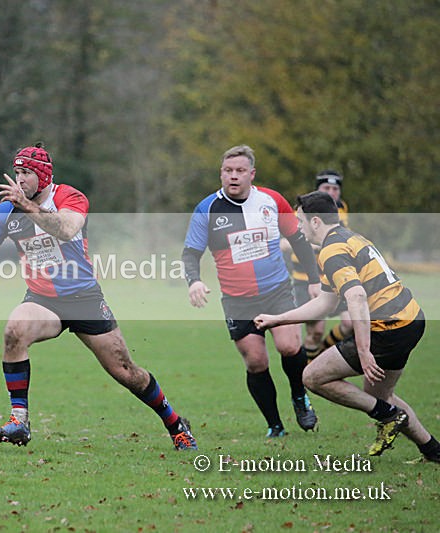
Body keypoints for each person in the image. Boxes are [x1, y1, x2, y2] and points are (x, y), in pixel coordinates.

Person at [0, 143, 198, 451]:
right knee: (14, 330)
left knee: (126, 372)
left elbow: (67, 229)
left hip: (84, 299)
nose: (20, 179)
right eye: (17, 172)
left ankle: (175, 424)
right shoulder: (7, 211)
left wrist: (29, 208)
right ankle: (19, 421)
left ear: (43, 176)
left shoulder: (70, 197)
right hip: (42, 300)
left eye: (26, 173)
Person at [255, 191, 440, 461]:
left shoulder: (332, 250)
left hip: (388, 328)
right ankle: (433, 450)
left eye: (301, 221)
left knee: (313, 377)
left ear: (315, 221)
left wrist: (364, 352)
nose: (299, 227)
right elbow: (326, 304)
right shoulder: (350, 237)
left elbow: (356, 297)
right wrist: (278, 319)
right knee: (381, 395)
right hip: (410, 321)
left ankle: (388, 416)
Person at [182, 145, 319, 438]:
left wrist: (314, 279)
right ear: (221, 174)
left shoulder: (272, 201)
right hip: (237, 300)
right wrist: (194, 281)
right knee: (256, 362)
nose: (233, 176)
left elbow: (298, 240)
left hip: (276, 291)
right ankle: (275, 426)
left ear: (251, 174)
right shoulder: (206, 209)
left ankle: (299, 396)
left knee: (289, 347)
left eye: (240, 171)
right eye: (228, 171)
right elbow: (191, 254)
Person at [281, 170, 352, 361]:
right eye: (326, 188)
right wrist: (315, 243)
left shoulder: (342, 209)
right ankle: (310, 372)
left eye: (335, 188)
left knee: (350, 323)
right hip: (306, 280)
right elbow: (285, 243)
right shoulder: (304, 210)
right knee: (316, 331)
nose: (331, 192)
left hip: (332, 278)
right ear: (317, 189)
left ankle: (320, 354)